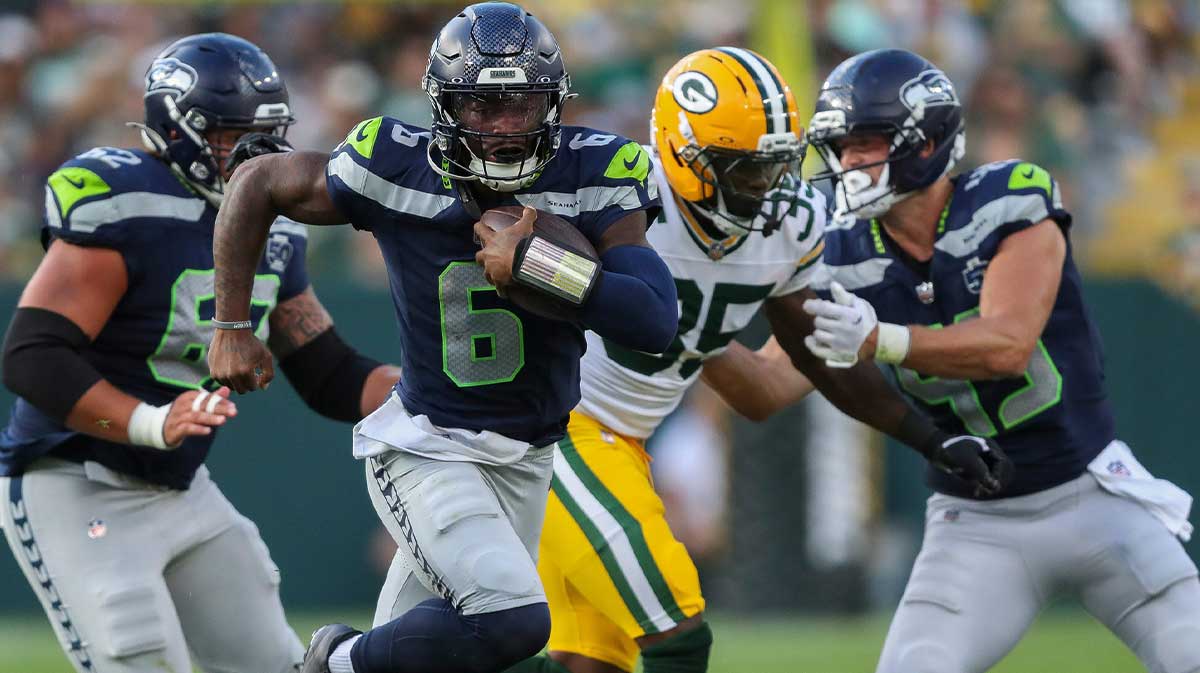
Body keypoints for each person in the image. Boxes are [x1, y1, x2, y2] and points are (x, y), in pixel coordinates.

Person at [206, 4, 679, 673]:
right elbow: (257, 181)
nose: (505, 128)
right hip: (429, 446)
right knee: (514, 619)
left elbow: (656, 320)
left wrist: (544, 267)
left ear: (553, 103)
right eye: (483, 106)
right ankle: (333, 660)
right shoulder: (395, 164)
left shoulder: (595, 172)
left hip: (529, 456)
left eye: (521, 105)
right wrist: (230, 325)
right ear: (444, 106)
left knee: (445, 656)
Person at [508, 47, 1013, 673]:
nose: (767, 189)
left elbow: (807, 363)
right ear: (685, 155)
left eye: (776, 167)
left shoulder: (790, 224)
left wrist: (931, 439)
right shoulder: (616, 191)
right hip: (556, 432)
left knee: (591, 666)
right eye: (745, 171)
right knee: (678, 633)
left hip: (624, 444)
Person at [0, 33, 400, 673]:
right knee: (140, 655)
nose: (252, 154)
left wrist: (429, 394)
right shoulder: (123, 200)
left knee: (272, 662)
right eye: (230, 135)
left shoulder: (275, 225)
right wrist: (150, 421)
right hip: (75, 479)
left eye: (266, 134)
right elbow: (32, 356)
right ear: (177, 131)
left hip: (180, 487)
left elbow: (328, 373)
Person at [801, 48, 1200, 673]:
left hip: (1093, 495)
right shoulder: (841, 253)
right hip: (973, 524)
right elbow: (768, 382)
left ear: (925, 142)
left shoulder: (1008, 198)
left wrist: (883, 338)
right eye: (843, 146)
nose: (848, 161)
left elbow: (1007, 344)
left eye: (866, 143)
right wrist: (698, 317)